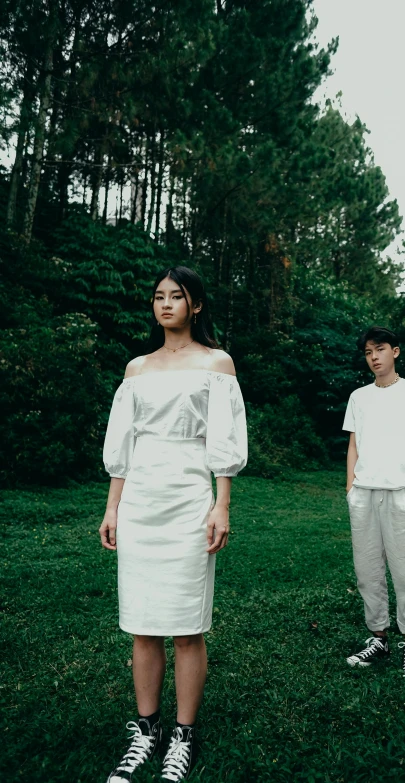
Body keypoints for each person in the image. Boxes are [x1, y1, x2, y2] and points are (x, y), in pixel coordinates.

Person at [99, 266, 248, 782]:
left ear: (196, 305)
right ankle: (145, 731)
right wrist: (113, 506)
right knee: (142, 623)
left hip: (189, 498)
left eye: (176, 296)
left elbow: (224, 442)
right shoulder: (136, 368)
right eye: (159, 297)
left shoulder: (217, 363)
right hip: (140, 500)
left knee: (186, 625)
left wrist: (221, 503)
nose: (166, 304)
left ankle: (182, 736)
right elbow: (123, 445)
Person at [343, 326, 405, 680]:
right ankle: (378, 636)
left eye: (379, 349)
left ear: (395, 351)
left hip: (400, 494)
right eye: (368, 352)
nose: (374, 357)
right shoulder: (358, 397)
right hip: (363, 494)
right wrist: (351, 486)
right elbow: (353, 444)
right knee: (367, 570)